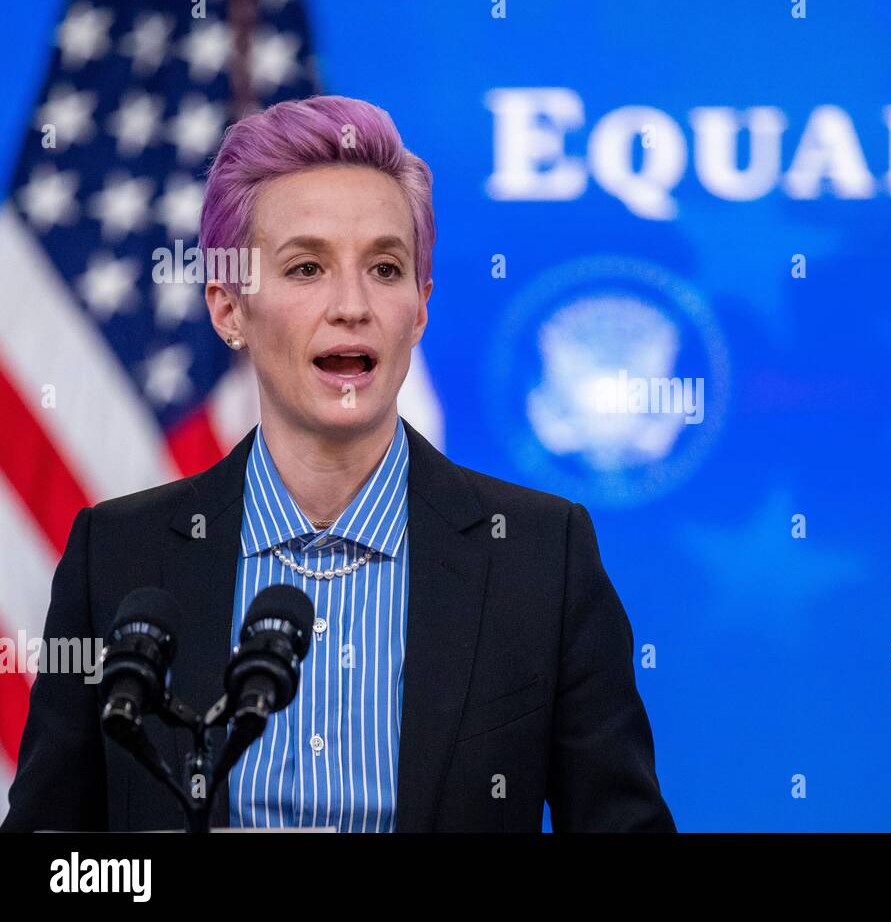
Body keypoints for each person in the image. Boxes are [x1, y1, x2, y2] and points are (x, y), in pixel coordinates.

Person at [2, 95, 674, 833]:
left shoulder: (542, 557)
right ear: (229, 309)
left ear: (419, 306)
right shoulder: (118, 557)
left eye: (385, 268)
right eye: (307, 267)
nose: (352, 305)